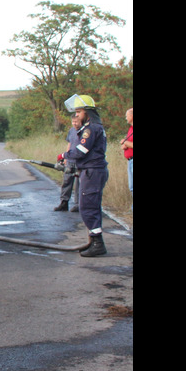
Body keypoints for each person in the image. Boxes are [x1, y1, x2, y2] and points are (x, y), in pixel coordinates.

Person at [62, 94, 109, 257]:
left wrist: (64, 155)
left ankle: (97, 243)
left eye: (79, 112)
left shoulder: (91, 129)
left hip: (92, 172)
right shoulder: (93, 127)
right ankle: (93, 241)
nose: (77, 115)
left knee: (88, 207)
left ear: (87, 112)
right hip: (91, 171)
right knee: (90, 206)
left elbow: (81, 151)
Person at [54, 114, 82, 212]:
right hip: (70, 160)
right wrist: (65, 157)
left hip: (80, 161)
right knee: (67, 181)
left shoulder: (84, 131)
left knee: (79, 183)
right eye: (73, 122)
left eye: (76, 122)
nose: (75, 124)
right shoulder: (71, 131)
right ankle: (64, 202)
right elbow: (69, 143)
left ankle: (78, 204)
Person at [120, 108, 133, 205]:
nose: (125, 118)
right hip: (130, 160)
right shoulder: (130, 129)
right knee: (131, 187)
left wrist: (125, 142)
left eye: (127, 115)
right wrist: (125, 145)